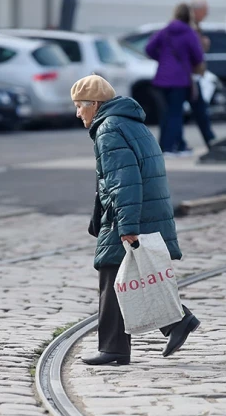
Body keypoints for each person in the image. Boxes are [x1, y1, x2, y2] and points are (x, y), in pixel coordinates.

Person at [71, 75, 201, 365]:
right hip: (142, 213)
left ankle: (117, 347)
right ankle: (174, 323)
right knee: (125, 276)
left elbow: (124, 181)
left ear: (94, 105)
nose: (78, 113)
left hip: (129, 215)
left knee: (111, 273)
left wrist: (127, 226)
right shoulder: (129, 122)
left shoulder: (108, 130)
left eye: (80, 106)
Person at [146, 3, 205, 157]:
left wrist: (161, 59)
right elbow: (198, 56)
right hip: (180, 80)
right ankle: (170, 147)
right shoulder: (189, 33)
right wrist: (186, 62)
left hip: (161, 79)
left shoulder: (165, 31)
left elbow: (149, 48)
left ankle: (167, 145)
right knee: (176, 114)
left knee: (165, 114)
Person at [184, 0, 216, 149]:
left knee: (197, 109)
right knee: (198, 108)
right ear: (196, 11)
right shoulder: (190, 27)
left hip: (190, 75)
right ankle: (210, 139)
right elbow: (194, 51)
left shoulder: (194, 26)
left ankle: (209, 138)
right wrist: (202, 44)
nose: (207, 14)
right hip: (189, 75)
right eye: (205, 10)